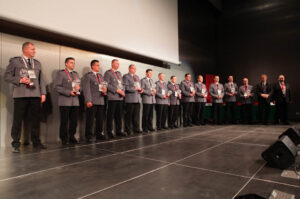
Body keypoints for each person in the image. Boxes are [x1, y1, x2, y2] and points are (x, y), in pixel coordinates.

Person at [4, 41, 47, 152]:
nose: (34, 51)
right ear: (25, 50)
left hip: (35, 95)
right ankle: (16, 144)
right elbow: (7, 76)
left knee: (35, 120)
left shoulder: (37, 63)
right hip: (20, 95)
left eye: (34, 49)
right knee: (17, 120)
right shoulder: (15, 61)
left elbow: (41, 79)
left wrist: (43, 93)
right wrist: (20, 80)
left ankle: (36, 142)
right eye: (32, 49)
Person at [54, 57, 80, 145]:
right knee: (64, 121)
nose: (73, 64)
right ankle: (64, 138)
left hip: (75, 101)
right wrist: (69, 92)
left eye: (74, 63)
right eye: (71, 63)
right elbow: (56, 87)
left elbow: (78, 85)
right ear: (66, 64)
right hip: (65, 101)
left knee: (74, 121)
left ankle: (72, 136)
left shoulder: (76, 74)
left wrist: (78, 89)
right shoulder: (61, 74)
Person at [82, 60, 107, 143]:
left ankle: (99, 133)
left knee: (100, 119)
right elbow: (86, 89)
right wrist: (88, 100)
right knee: (90, 120)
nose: (98, 67)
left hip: (101, 100)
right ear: (92, 66)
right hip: (92, 101)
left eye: (99, 65)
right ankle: (88, 135)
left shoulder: (101, 76)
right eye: (97, 65)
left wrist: (105, 91)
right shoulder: (88, 76)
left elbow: (103, 87)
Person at [104, 59, 127, 138]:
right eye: (116, 63)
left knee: (118, 115)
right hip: (112, 97)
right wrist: (116, 90)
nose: (118, 65)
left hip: (120, 98)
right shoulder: (108, 73)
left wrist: (123, 91)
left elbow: (122, 84)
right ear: (112, 64)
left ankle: (119, 130)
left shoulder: (119, 73)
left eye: (118, 64)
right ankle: (109, 131)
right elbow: (106, 84)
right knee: (110, 115)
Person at [123, 64, 143, 135]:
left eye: (135, 68)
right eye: (133, 68)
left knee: (136, 116)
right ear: (129, 69)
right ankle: (128, 129)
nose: (134, 70)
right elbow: (125, 88)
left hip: (137, 99)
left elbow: (139, 87)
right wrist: (135, 89)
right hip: (130, 99)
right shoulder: (126, 76)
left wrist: (141, 90)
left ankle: (136, 128)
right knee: (129, 116)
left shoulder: (137, 77)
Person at [141, 69, 156, 133]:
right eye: (149, 73)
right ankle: (145, 127)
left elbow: (153, 89)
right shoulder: (143, 80)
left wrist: (154, 91)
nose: (151, 74)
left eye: (151, 73)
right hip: (146, 99)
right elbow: (142, 90)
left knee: (151, 115)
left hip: (152, 100)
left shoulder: (152, 81)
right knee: (145, 115)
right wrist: (150, 93)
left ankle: (150, 126)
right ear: (146, 73)